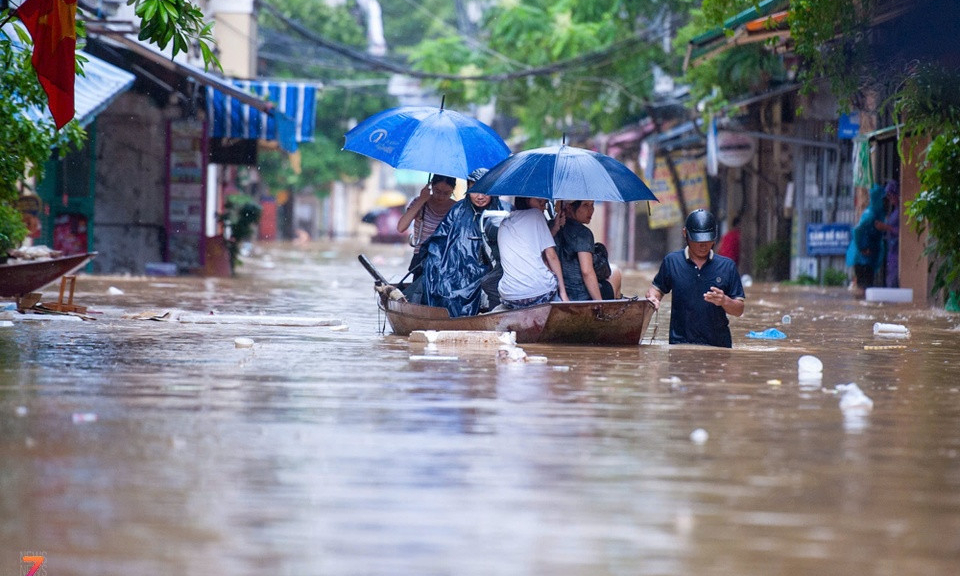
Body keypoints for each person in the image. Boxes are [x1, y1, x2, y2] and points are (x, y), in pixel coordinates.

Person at [645, 209, 746, 348]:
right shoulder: (672, 262)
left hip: (718, 347)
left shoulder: (727, 266)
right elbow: (657, 289)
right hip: (680, 346)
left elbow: (739, 310)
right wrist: (653, 299)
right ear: (685, 233)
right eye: (697, 240)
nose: (703, 245)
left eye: (707, 239)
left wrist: (724, 301)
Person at [421, 169, 506, 317]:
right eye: (475, 190)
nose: (480, 196)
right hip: (457, 271)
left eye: (485, 191)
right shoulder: (457, 210)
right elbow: (439, 240)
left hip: (491, 271)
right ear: (468, 188)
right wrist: (440, 269)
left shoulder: (502, 212)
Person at [497, 196, 569, 309]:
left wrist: (555, 227)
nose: (544, 207)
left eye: (545, 203)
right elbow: (551, 256)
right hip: (538, 293)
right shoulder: (536, 215)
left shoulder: (504, 223)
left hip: (510, 296)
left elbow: (532, 245)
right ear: (526, 200)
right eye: (540, 202)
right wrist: (563, 294)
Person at [554, 200, 622, 300]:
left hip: (560, 294)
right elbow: (587, 271)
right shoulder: (583, 233)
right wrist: (599, 303)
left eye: (592, 205)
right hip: (581, 297)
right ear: (569, 207)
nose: (591, 210)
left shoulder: (552, 227)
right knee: (616, 273)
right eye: (585, 205)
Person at [396, 174, 457, 281]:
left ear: (453, 190)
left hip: (446, 261)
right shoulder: (420, 203)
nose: (441, 197)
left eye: (447, 193)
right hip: (421, 260)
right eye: (437, 191)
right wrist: (421, 200)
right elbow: (401, 227)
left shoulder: (456, 208)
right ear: (431, 186)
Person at [846, 183, 886, 297]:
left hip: (868, 257)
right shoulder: (870, 214)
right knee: (863, 289)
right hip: (862, 258)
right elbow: (857, 230)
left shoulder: (877, 213)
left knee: (865, 288)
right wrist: (862, 248)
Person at [875, 180, 900, 288]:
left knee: (893, 279)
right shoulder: (896, 210)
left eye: (891, 196)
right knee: (890, 278)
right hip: (892, 250)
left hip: (897, 250)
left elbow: (902, 231)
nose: (890, 200)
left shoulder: (901, 210)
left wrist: (886, 227)